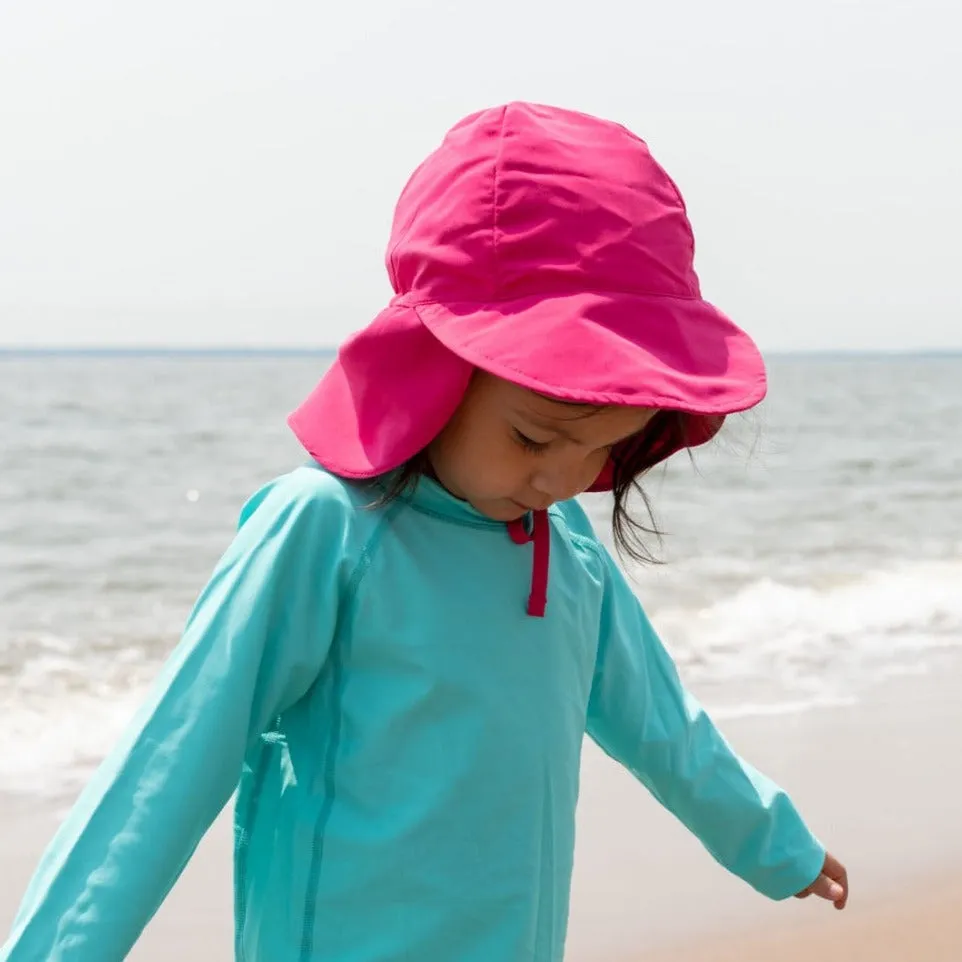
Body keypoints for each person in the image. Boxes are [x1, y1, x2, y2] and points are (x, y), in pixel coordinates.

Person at [1, 101, 848, 962]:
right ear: (438, 367)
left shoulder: (570, 555)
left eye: (603, 448)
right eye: (534, 437)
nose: (561, 480)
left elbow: (661, 724)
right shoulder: (328, 531)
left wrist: (777, 845)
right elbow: (169, 764)